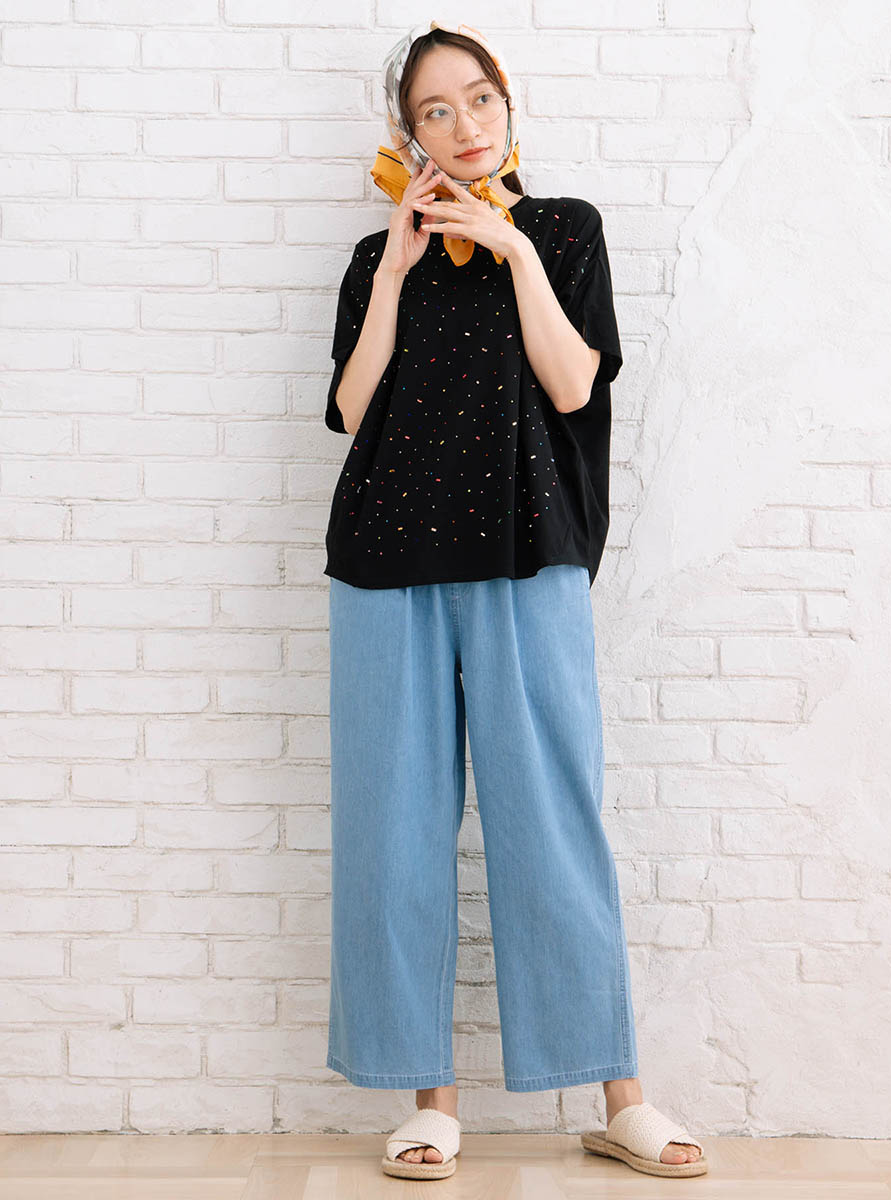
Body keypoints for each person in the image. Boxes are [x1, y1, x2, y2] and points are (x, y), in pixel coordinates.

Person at [322, 19, 708, 1182]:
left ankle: (617, 1095)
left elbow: (575, 383)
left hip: (528, 555)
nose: (463, 124)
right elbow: (351, 411)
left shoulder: (564, 229)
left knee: (554, 822)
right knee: (393, 832)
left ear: (507, 104)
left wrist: (512, 250)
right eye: (434, 111)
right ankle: (429, 1102)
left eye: (478, 98)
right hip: (385, 565)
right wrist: (396, 273)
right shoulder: (375, 256)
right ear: (409, 136)